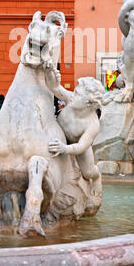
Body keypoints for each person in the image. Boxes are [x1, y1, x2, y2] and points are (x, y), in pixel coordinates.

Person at [44, 64, 105, 197]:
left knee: (88, 172)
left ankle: (97, 177)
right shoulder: (72, 99)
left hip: (75, 143)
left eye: (77, 94)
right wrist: (51, 74)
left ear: (88, 103)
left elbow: (81, 146)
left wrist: (64, 148)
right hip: (58, 131)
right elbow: (54, 87)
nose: (73, 94)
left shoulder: (92, 125)